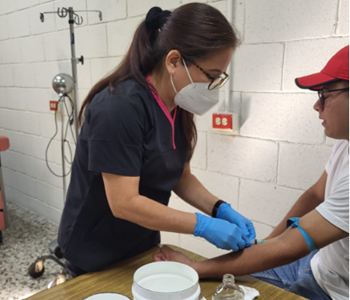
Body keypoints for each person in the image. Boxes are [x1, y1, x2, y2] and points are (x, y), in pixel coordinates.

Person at [57, 3, 256, 278]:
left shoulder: (178, 105)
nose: (213, 87)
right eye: (211, 76)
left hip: (140, 239)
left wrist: (220, 209)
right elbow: (124, 202)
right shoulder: (119, 107)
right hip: (95, 247)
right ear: (174, 61)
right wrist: (202, 226)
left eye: (220, 78)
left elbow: (179, 175)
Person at [154, 46, 349, 300]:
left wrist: (194, 268)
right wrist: (266, 242)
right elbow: (315, 194)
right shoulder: (345, 141)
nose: (316, 105)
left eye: (325, 94)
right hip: (320, 265)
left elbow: (289, 248)